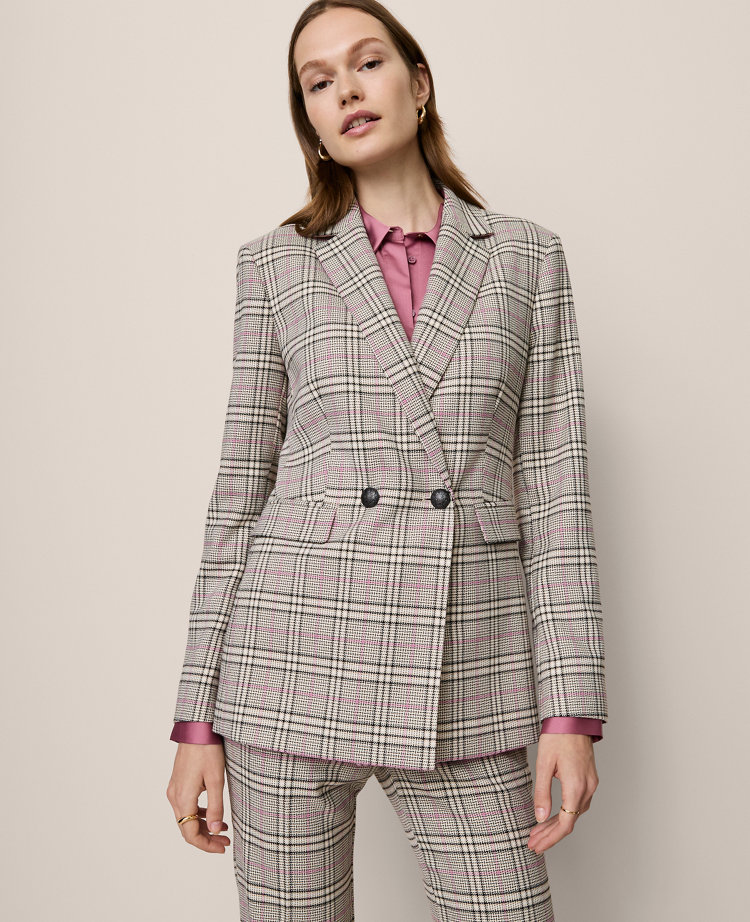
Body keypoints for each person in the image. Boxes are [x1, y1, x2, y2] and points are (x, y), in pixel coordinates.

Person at [166, 2, 608, 919]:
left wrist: (569, 709)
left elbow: (555, 491)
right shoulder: (275, 266)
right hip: (288, 663)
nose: (346, 90)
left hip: (466, 671)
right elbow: (239, 495)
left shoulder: (527, 258)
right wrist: (196, 718)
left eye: (366, 63)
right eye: (317, 82)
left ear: (419, 82)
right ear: (310, 122)